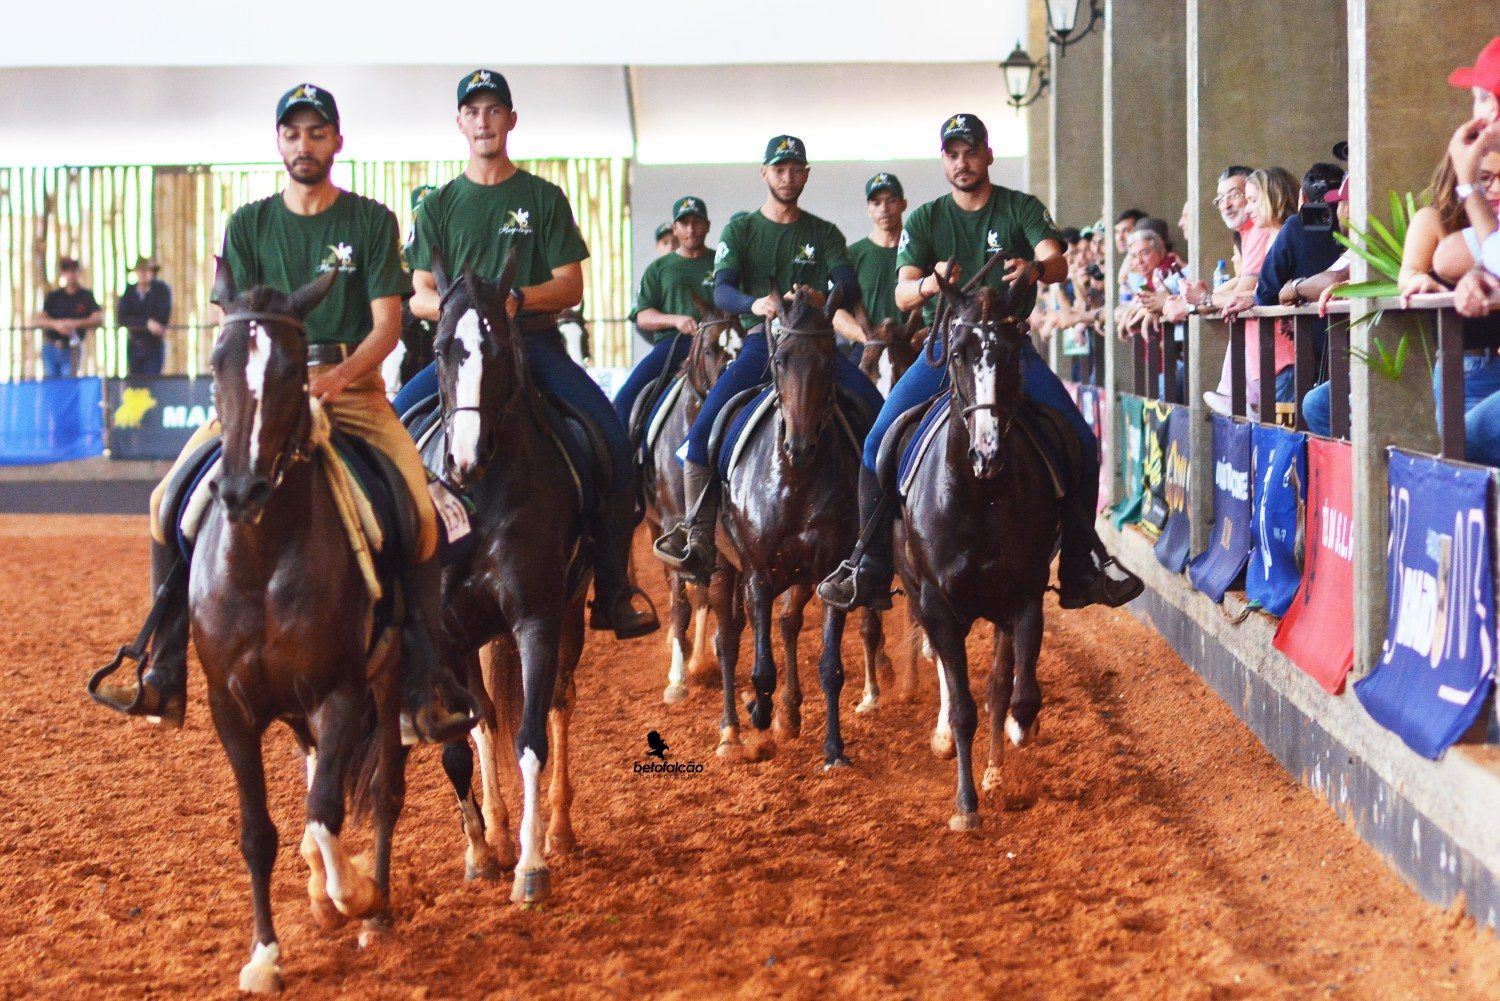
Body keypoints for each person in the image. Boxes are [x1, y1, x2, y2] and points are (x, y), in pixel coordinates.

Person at [94, 83, 476, 741]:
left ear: (336, 141)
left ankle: (422, 679)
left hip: (352, 395)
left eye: (317, 132)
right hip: (263, 399)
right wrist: (271, 390)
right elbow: (236, 328)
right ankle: (164, 665)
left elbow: (388, 324)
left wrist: (342, 377)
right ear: (279, 142)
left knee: (418, 510)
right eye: (293, 133)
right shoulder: (248, 225)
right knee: (165, 502)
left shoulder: (370, 221)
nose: (305, 145)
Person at [817, 113, 1143, 612]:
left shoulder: (1020, 207)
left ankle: (1081, 564)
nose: (963, 162)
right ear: (944, 161)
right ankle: (871, 564)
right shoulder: (926, 219)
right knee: (877, 442)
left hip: (1010, 347)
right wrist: (930, 282)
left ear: (988, 155)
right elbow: (905, 293)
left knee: (1080, 439)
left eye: (971, 152)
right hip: (945, 347)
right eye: (953, 154)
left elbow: (1056, 260)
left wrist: (1034, 267)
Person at [406, 69, 658, 639]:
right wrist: (458, 310)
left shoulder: (542, 198)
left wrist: (517, 298)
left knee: (614, 443)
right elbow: (419, 291)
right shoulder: (439, 204)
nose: (484, 121)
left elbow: (571, 285)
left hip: (534, 344)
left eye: (495, 110)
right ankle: (400, 592)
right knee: (397, 435)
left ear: (511, 121)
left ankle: (613, 589)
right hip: (464, 354)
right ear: (460, 123)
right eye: (474, 112)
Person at [651, 134, 885, 581]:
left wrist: (825, 296)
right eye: (779, 169)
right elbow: (721, 288)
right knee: (701, 434)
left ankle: (881, 539)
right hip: (762, 344)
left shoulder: (824, 232)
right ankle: (699, 536)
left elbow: (848, 285)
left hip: (817, 347)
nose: (788, 177)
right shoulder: (741, 229)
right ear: (765, 174)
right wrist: (752, 304)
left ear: (806, 174)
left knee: (878, 419)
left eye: (796, 169)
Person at [613, 195, 715, 429]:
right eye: (684, 223)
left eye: (697, 222)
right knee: (627, 397)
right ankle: (627, 460)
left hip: (719, 346)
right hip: (674, 345)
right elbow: (642, 316)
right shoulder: (658, 268)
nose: (691, 229)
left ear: (707, 226)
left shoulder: (721, 262)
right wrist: (676, 320)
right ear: (675, 228)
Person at [838, 172, 907, 361]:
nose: (884, 208)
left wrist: (919, 335)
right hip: (865, 349)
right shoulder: (851, 255)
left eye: (891, 200)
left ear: (903, 204)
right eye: (876, 203)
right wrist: (867, 338)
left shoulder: (918, 250)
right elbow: (836, 311)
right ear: (868, 209)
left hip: (911, 346)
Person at [34, 258, 102, 379]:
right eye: (67, 271)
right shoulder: (54, 296)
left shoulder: (86, 296)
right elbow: (39, 319)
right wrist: (56, 324)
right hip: (51, 346)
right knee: (51, 385)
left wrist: (74, 324)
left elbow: (97, 318)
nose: (71, 275)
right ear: (63, 274)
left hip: (71, 348)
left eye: (73, 271)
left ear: (79, 272)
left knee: (68, 384)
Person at [117, 256, 173, 378]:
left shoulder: (161, 291)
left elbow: (162, 317)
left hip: (154, 345)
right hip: (134, 345)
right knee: (135, 382)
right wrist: (146, 323)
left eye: (147, 270)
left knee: (152, 381)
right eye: (141, 270)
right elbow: (122, 318)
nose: (143, 274)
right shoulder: (129, 291)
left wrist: (148, 324)